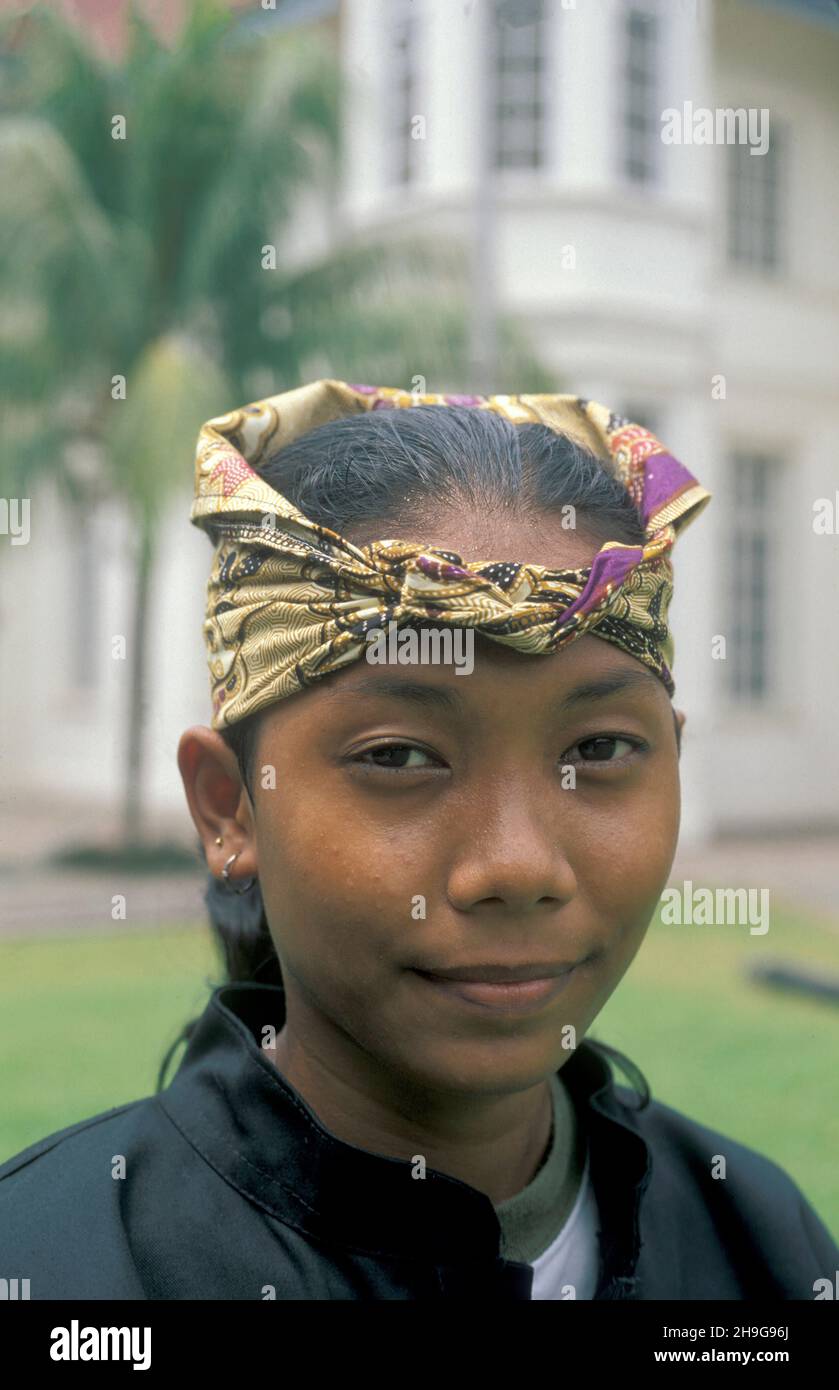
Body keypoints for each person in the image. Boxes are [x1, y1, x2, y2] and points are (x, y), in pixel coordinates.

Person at [1, 379, 836, 1301]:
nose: (518, 867)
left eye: (598, 749)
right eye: (398, 756)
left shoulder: (762, 1254)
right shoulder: (62, 1271)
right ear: (230, 808)